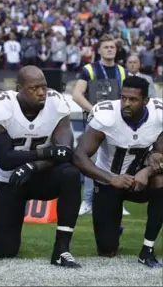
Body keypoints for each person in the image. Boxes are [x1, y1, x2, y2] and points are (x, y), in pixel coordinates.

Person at [0, 66, 81, 268]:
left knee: (70, 174)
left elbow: (64, 151)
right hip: (8, 178)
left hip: (41, 174)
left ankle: (62, 249)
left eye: (44, 87)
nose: (41, 92)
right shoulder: (1, 106)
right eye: (34, 88)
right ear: (19, 88)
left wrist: (33, 165)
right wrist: (45, 153)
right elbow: (4, 159)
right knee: (5, 252)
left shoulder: (56, 102)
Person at [73, 76, 163, 268]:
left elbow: (161, 156)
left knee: (161, 180)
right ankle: (113, 227)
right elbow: (79, 156)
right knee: (107, 251)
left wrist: (147, 171)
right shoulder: (106, 116)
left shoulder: (158, 114)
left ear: (146, 101)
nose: (126, 103)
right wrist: (111, 179)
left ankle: (147, 248)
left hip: (139, 181)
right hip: (108, 182)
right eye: (123, 98)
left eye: (133, 99)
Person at [72, 34, 129, 216]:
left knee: (119, 163)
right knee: (91, 161)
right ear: (99, 50)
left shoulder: (122, 71)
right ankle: (87, 201)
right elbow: (77, 94)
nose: (110, 49)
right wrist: (94, 110)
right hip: (95, 124)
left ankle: (118, 201)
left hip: (117, 123)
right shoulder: (89, 69)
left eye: (112, 47)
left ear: (116, 49)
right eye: (106, 47)